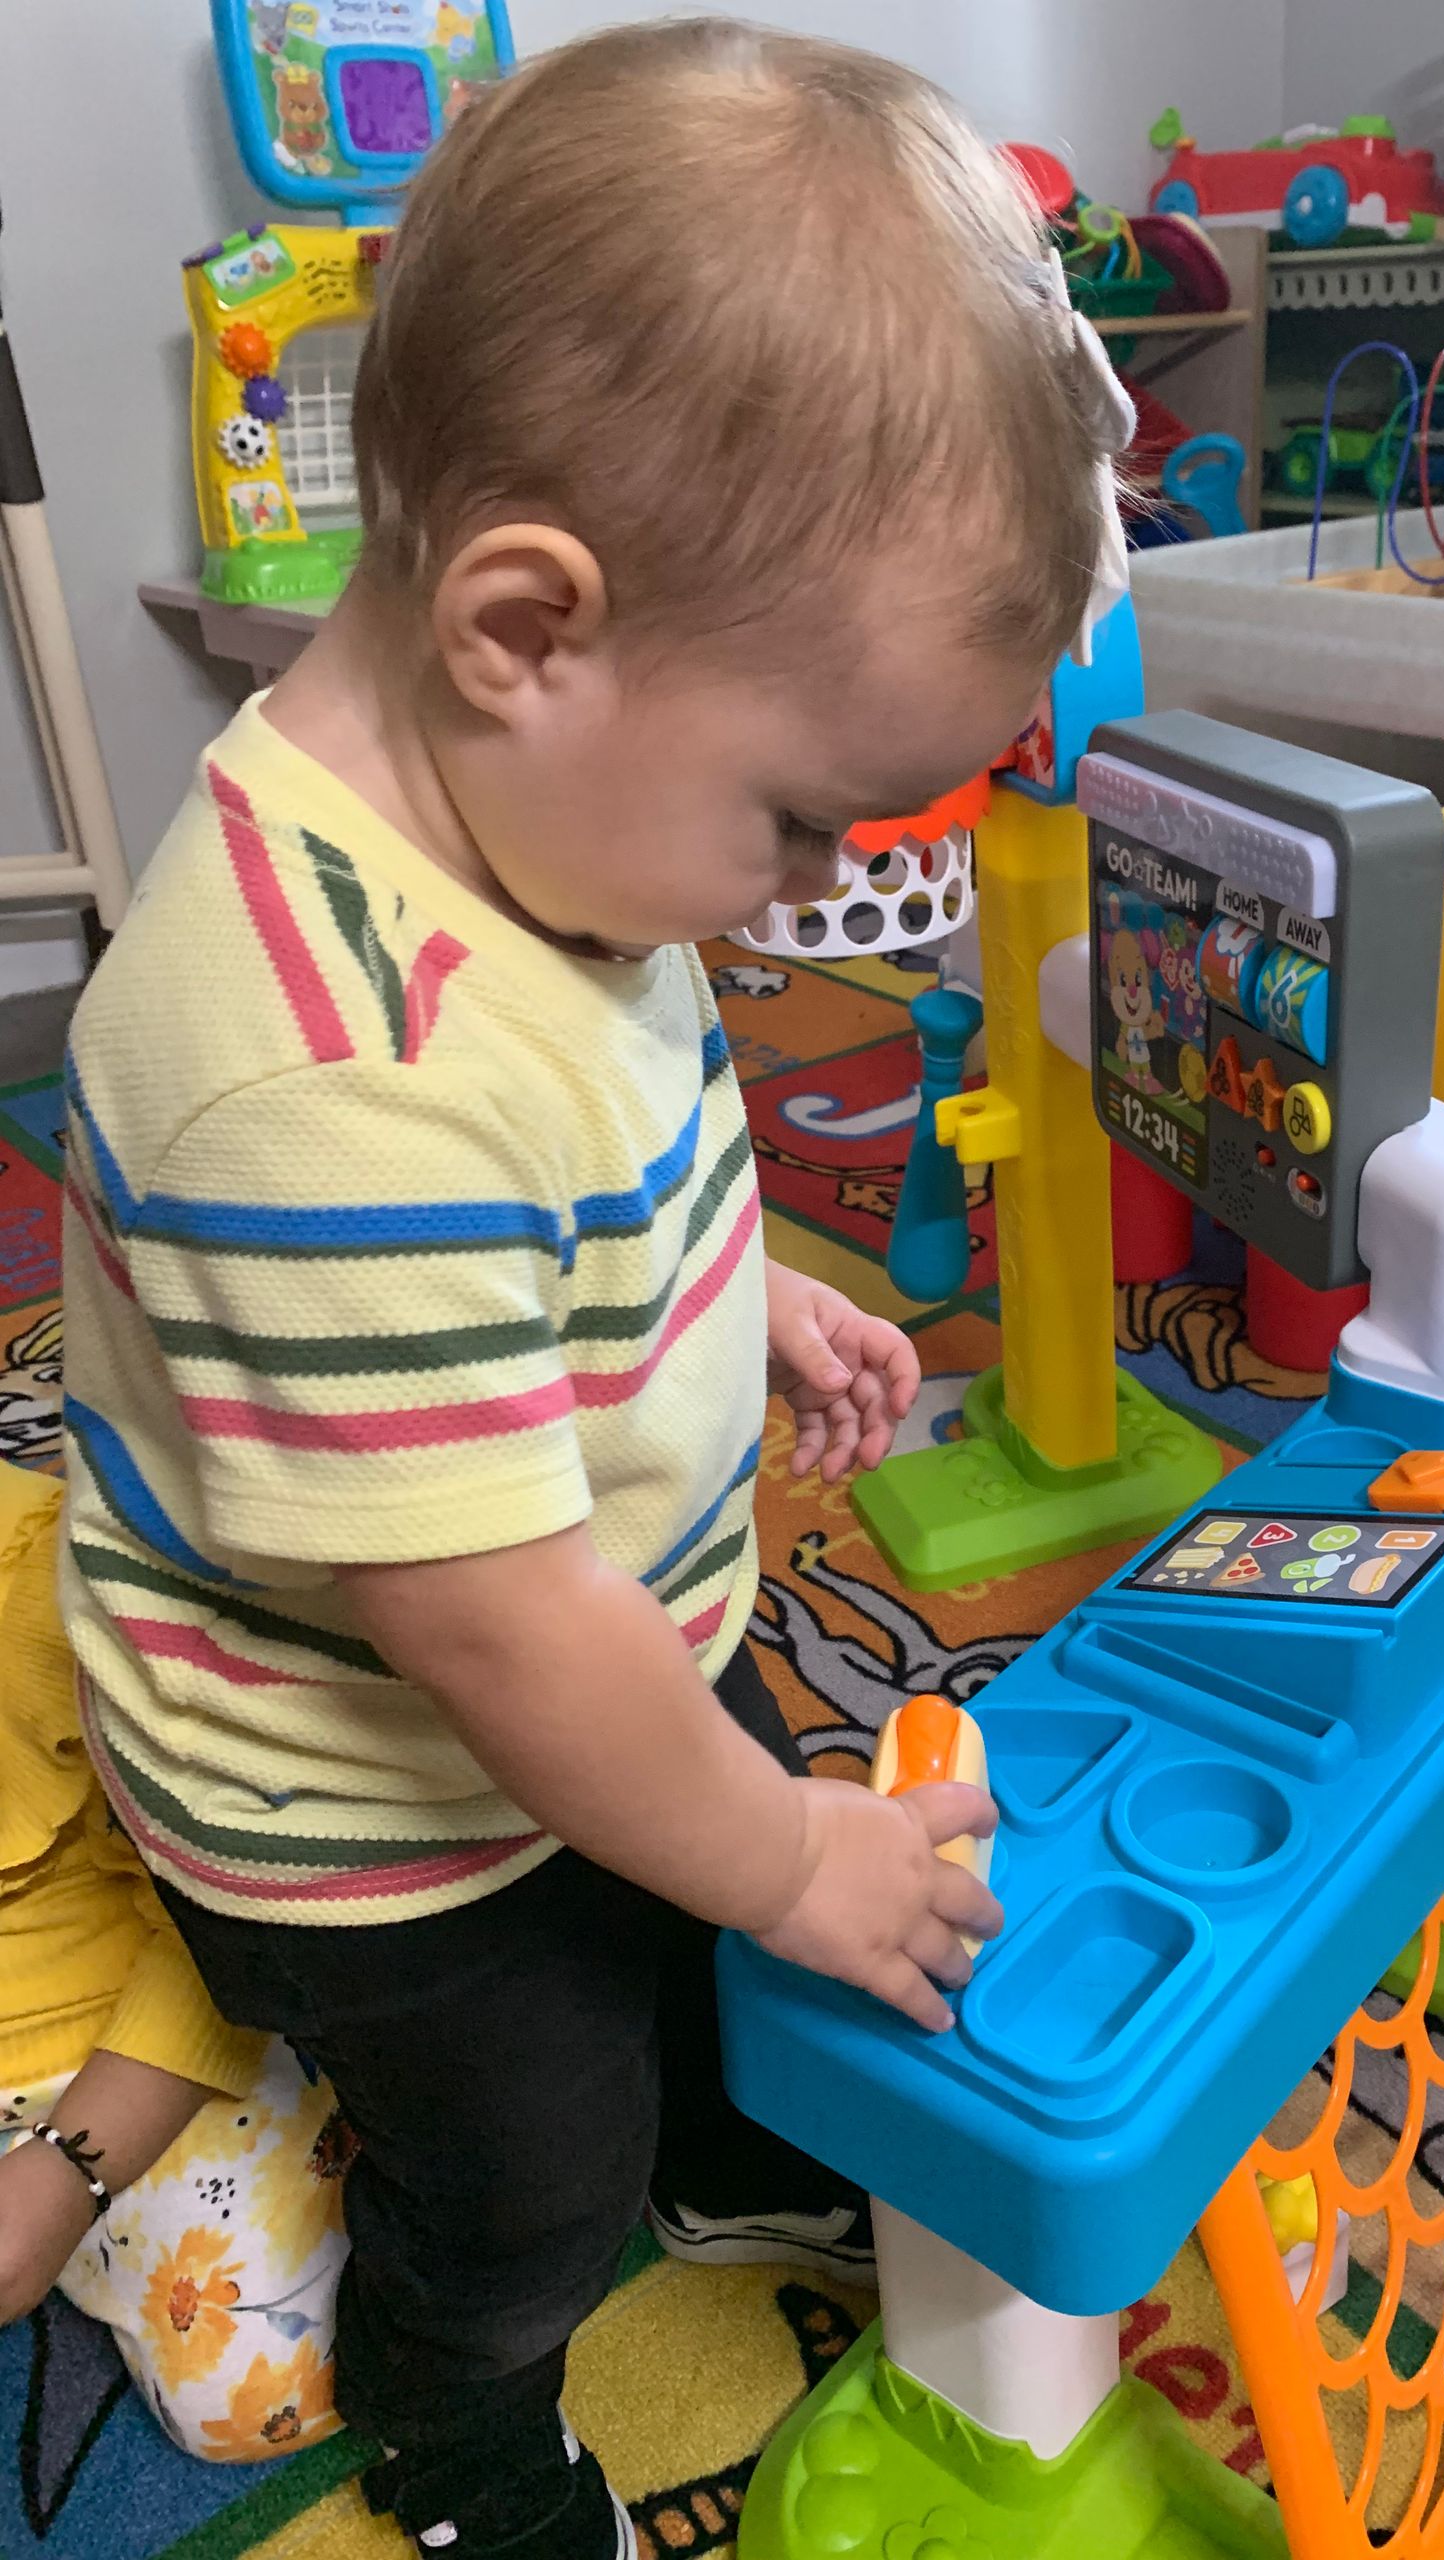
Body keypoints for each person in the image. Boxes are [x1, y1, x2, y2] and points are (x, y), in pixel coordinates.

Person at [59, 21, 1128, 2559]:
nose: (786, 893)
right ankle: (456, 2421)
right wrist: (770, 1857)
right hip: (378, 1811)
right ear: (524, 620)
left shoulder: (533, 828)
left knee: (708, 1906)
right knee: (528, 2154)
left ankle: (727, 2098)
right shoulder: (308, 1078)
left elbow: (595, 1149)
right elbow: (511, 1647)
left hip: (611, 1639)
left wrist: (736, 1301)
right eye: (792, 816)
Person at [0, 1464, 347, 2461]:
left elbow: (222, 1912)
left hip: (123, 2047)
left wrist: (72, 2170)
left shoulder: (59, 1599)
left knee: (269, 2389)